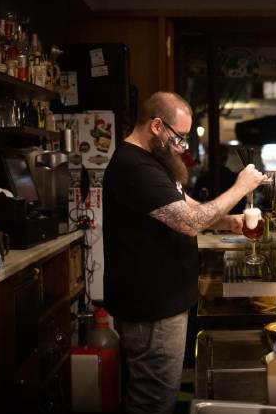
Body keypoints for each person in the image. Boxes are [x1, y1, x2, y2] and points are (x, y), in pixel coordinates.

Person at [102, 91, 265, 414]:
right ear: (157, 125)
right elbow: (189, 223)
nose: (181, 146)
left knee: (159, 395)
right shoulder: (133, 166)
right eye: (179, 138)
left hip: (163, 303)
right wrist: (240, 187)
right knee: (153, 401)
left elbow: (186, 206)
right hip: (152, 309)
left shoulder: (152, 162)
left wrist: (226, 221)